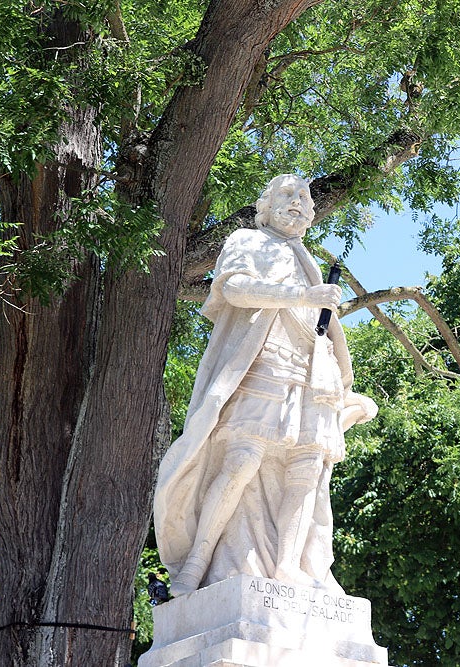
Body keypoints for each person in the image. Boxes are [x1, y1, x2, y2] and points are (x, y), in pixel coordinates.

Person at [153, 174, 376, 596]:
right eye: (287, 195)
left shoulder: (308, 256)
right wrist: (301, 296)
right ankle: (196, 563)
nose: (297, 203)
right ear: (267, 205)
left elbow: (325, 327)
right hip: (263, 363)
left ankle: (289, 567)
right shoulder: (247, 241)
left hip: (315, 375)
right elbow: (233, 289)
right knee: (240, 462)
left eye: (304, 197)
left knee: (307, 470)